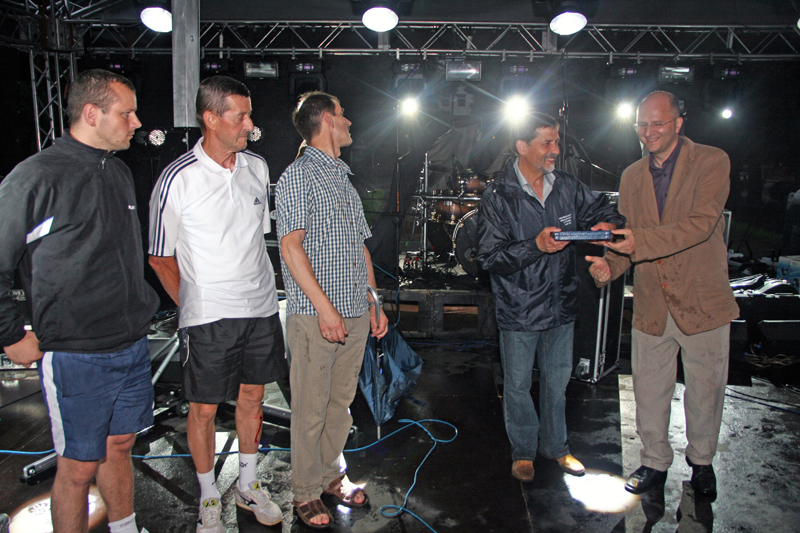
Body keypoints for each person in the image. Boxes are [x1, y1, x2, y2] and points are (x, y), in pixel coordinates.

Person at [0, 69, 159, 533]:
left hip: (131, 344)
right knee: (77, 467)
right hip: (76, 354)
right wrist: (10, 334)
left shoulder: (119, 171)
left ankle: (125, 528)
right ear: (91, 114)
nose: (136, 122)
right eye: (126, 113)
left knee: (120, 445)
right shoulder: (35, 176)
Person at [148, 76, 288, 532]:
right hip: (209, 315)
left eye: (249, 115)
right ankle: (209, 494)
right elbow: (159, 257)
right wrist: (193, 305)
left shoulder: (257, 167)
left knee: (253, 398)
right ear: (210, 119)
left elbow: (255, 236)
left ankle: (248, 485)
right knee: (204, 409)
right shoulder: (177, 178)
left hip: (261, 307)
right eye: (240, 116)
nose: (250, 124)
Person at [586, 91, 739, 497]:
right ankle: (654, 462)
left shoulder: (712, 161)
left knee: (705, 392)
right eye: (642, 124)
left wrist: (636, 243)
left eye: (657, 123)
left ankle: (702, 463)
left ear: (678, 123)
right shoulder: (631, 176)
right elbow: (628, 237)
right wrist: (610, 266)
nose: (648, 131)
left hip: (703, 301)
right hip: (652, 302)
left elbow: (700, 225)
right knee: (649, 392)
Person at [475, 112, 625, 483]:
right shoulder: (499, 195)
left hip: (562, 305)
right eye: (547, 142)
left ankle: (556, 447)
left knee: (558, 384)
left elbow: (605, 207)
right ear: (522, 146)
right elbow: (489, 257)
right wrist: (536, 246)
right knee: (518, 386)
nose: (555, 149)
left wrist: (608, 223)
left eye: (557, 141)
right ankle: (524, 451)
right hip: (520, 309)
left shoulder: (567, 186)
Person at [275, 91, 389, 529]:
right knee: (310, 410)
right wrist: (325, 310)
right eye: (343, 114)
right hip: (315, 316)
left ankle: (329, 477)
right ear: (326, 119)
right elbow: (290, 247)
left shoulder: (343, 178)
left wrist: (374, 303)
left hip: (355, 312)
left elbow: (361, 249)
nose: (349, 122)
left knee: (340, 405)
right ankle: (305, 492)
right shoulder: (297, 176)